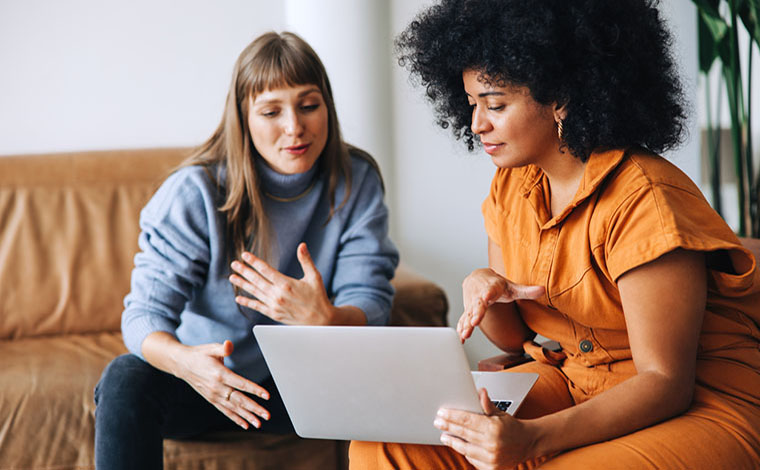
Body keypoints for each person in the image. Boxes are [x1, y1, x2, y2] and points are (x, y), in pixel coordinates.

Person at [349, 0, 760, 469]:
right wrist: (484, 287)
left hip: (701, 403)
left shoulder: (644, 198)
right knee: (384, 444)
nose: (476, 124)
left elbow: (665, 381)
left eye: (495, 104)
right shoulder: (512, 184)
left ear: (561, 96)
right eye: (471, 104)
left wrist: (531, 439)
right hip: (573, 381)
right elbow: (512, 340)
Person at [94, 31, 398, 469]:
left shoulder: (356, 179)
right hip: (203, 382)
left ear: (327, 106)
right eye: (271, 111)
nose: (295, 127)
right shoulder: (195, 191)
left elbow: (370, 299)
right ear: (243, 117)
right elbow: (143, 316)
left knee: (404, 376)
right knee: (125, 377)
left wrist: (326, 318)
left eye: (309, 105)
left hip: (302, 385)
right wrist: (188, 365)